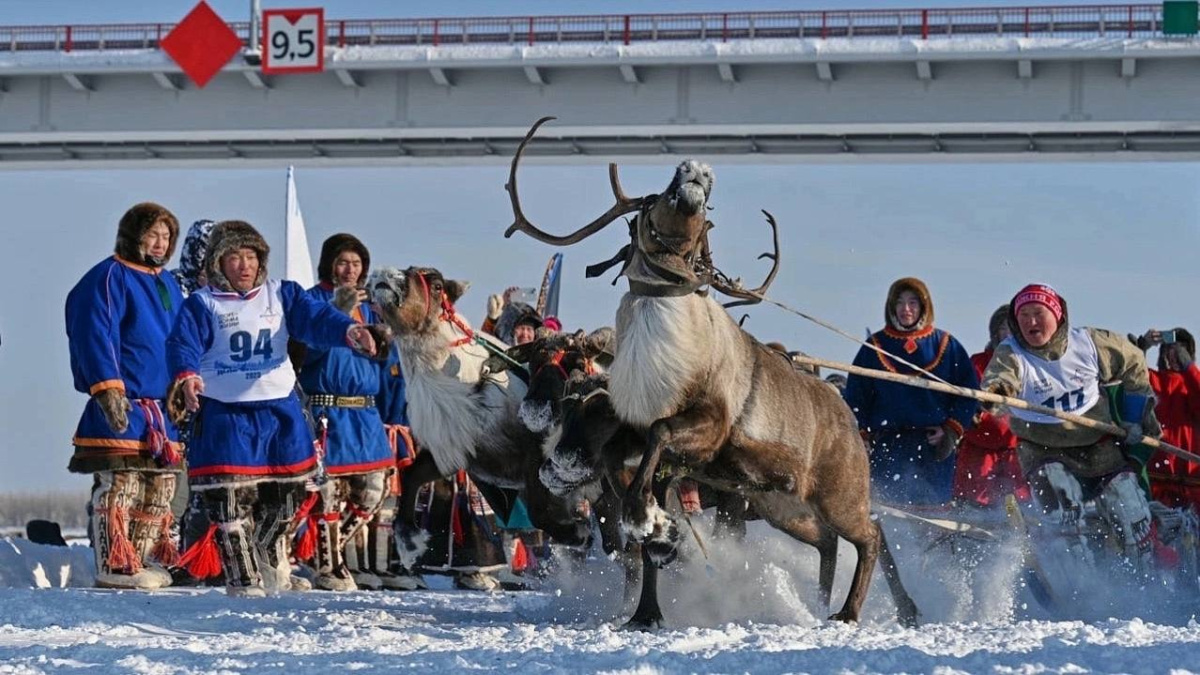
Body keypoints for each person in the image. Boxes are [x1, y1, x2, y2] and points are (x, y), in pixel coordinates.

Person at [165, 220, 385, 597]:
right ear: (219, 261)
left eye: (251, 256)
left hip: (279, 410)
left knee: (291, 497)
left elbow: (317, 318)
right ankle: (243, 580)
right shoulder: (203, 303)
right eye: (234, 256)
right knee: (228, 503)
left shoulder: (280, 294)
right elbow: (181, 344)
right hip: (226, 412)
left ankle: (264, 549)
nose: (244, 265)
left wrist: (349, 331)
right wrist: (187, 376)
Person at [981, 284, 1162, 572]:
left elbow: (1134, 362)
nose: (1031, 322)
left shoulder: (1090, 344)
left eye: (1038, 313)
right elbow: (1000, 376)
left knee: (1129, 503)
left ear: (1058, 315)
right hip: (1042, 449)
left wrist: (1133, 418)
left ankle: (1143, 575)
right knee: (1061, 495)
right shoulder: (1011, 352)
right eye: (1024, 315)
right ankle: (1079, 581)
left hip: (1097, 445)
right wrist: (997, 391)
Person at [66, 202, 185, 590]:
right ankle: (112, 563)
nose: (160, 242)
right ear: (134, 235)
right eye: (153, 234)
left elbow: (183, 338)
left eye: (167, 236)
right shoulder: (109, 277)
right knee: (122, 484)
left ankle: (137, 558)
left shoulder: (168, 284)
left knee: (160, 488)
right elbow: (94, 333)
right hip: (123, 402)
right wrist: (106, 386)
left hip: (162, 409)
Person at [293, 234, 396, 591]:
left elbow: (388, 363)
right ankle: (328, 567)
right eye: (342, 262)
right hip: (326, 408)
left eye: (356, 263)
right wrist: (336, 313)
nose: (350, 269)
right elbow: (304, 352)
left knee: (373, 491)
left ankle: (326, 556)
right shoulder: (311, 301)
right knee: (328, 493)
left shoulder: (371, 308)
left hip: (365, 413)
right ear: (328, 264)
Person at [843, 277, 978, 506]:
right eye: (900, 302)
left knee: (932, 518)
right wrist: (863, 435)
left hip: (932, 447)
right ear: (891, 306)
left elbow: (969, 392)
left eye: (913, 302)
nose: (906, 309)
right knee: (888, 513)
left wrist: (952, 429)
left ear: (924, 306)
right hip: (887, 447)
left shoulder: (945, 344)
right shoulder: (874, 347)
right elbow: (856, 397)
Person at [952, 305, 1031, 507]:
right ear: (996, 332)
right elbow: (961, 400)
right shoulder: (977, 363)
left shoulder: (1030, 366)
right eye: (1005, 328)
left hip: (1016, 452)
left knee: (1023, 509)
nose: (1010, 334)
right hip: (980, 450)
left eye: (1015, 328)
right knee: (975, 509)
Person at [1132, 327, 1200, 510]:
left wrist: (1188, 367)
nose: (1173, 356)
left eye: (1180, 350)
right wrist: (1141, 348)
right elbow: (1130, 375)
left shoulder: (1194, 384)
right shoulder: (1153, 380)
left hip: (1195, 488)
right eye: (1169, 350)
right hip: (1158, 486)